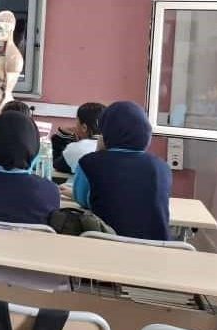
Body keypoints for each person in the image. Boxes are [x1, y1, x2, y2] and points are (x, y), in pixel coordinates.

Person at [68, 101, 172, 240]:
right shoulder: (162, 167)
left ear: (105, 131)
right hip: (156, 249)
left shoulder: (89, 163)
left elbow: (82, 200)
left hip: (106, 245)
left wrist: (99, 152)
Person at [58, 102, 106, 171]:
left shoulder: (74, 148)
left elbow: (57, 165)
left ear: (84, 127)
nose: (75, 127)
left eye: (77, 122)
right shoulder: (114, 148)